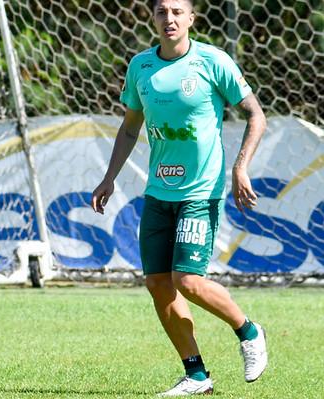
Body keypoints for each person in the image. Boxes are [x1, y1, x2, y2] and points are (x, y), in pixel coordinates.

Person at [91, 0, 268, 396]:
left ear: (191, 18)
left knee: (186, 279)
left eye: (176, 12)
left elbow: (256, 115)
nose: (169, 19)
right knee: (157, 283)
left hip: (200, 190)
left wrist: (240, 167)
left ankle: (250, 331)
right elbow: (129, 129)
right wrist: (109, 178)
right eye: (161, 12)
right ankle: (197, 375)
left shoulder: (213, 61)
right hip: (158, 192)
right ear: (152, 17)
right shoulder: (141, 66)